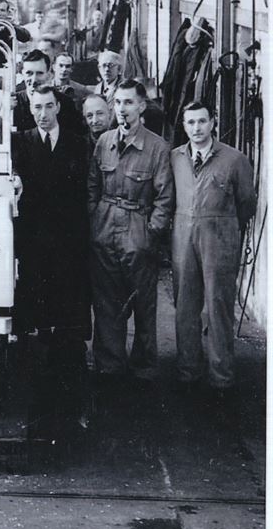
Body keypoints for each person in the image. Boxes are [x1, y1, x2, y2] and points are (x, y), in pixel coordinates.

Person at [12, 85, 92, 425]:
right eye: (36, 107)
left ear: (58, 107)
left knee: (67, 309)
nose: (42, 114)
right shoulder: (22, 143)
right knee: (37, 310)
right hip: (34, 241)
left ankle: (69, 383)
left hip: (69, 241)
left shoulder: (77, 142)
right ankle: (38, 377)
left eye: (47, 106)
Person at [87, 79, 174, 385]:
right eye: (118, 103)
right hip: (105, 226)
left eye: (128, 103)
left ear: (141, 106)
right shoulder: (104, 141)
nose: (122, 109)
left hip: (139, 226)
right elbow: (93, 187)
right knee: (107, 301)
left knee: (143, 302)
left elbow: (165, 198)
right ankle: (110, 365)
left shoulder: (158, 148)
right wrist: (95, 220)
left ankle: (144, 366)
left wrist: (151, 232)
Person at [170, 102, 257, 399]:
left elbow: (247, 203)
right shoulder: (176, 158)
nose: (197, 128)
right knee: (185, 305)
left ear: (213, 123)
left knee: (218, 306)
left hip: (219, 236)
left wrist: (227, 228)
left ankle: (222, 377)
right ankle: (188, 371)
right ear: (184, 125)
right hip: (183, 233)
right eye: (191, 122)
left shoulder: (234, 159)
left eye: (202, 122)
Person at [13, 50, 86, 136]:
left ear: (49, 74)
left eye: (39, 73)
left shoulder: (66, 103)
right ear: (22, 73)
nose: (34, 80)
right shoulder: (14, 104)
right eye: (29, 73)